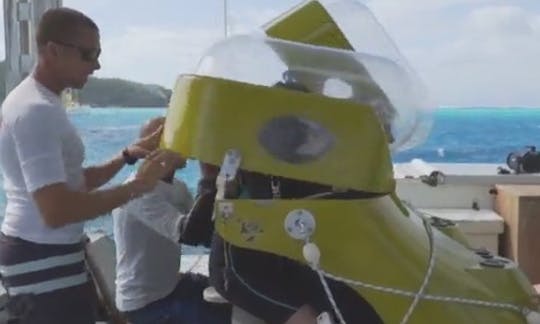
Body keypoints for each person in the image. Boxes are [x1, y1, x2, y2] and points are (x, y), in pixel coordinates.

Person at [0, 8, 182, 324]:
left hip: (45, 254)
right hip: (42, 259)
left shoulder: (38, 103)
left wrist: (127, 156)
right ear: (53, 51)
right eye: (89, 54)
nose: (97, 64)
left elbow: (69, 183)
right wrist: (138, 186)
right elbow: (57, 210)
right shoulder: (36, 111)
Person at [113, 117, 231, 324]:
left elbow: (206, 230)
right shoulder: (137, 191)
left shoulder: (177, 186)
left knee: (234, 300)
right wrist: (210, 177)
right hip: (146, 304)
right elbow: (189, 234)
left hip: (172, 285)